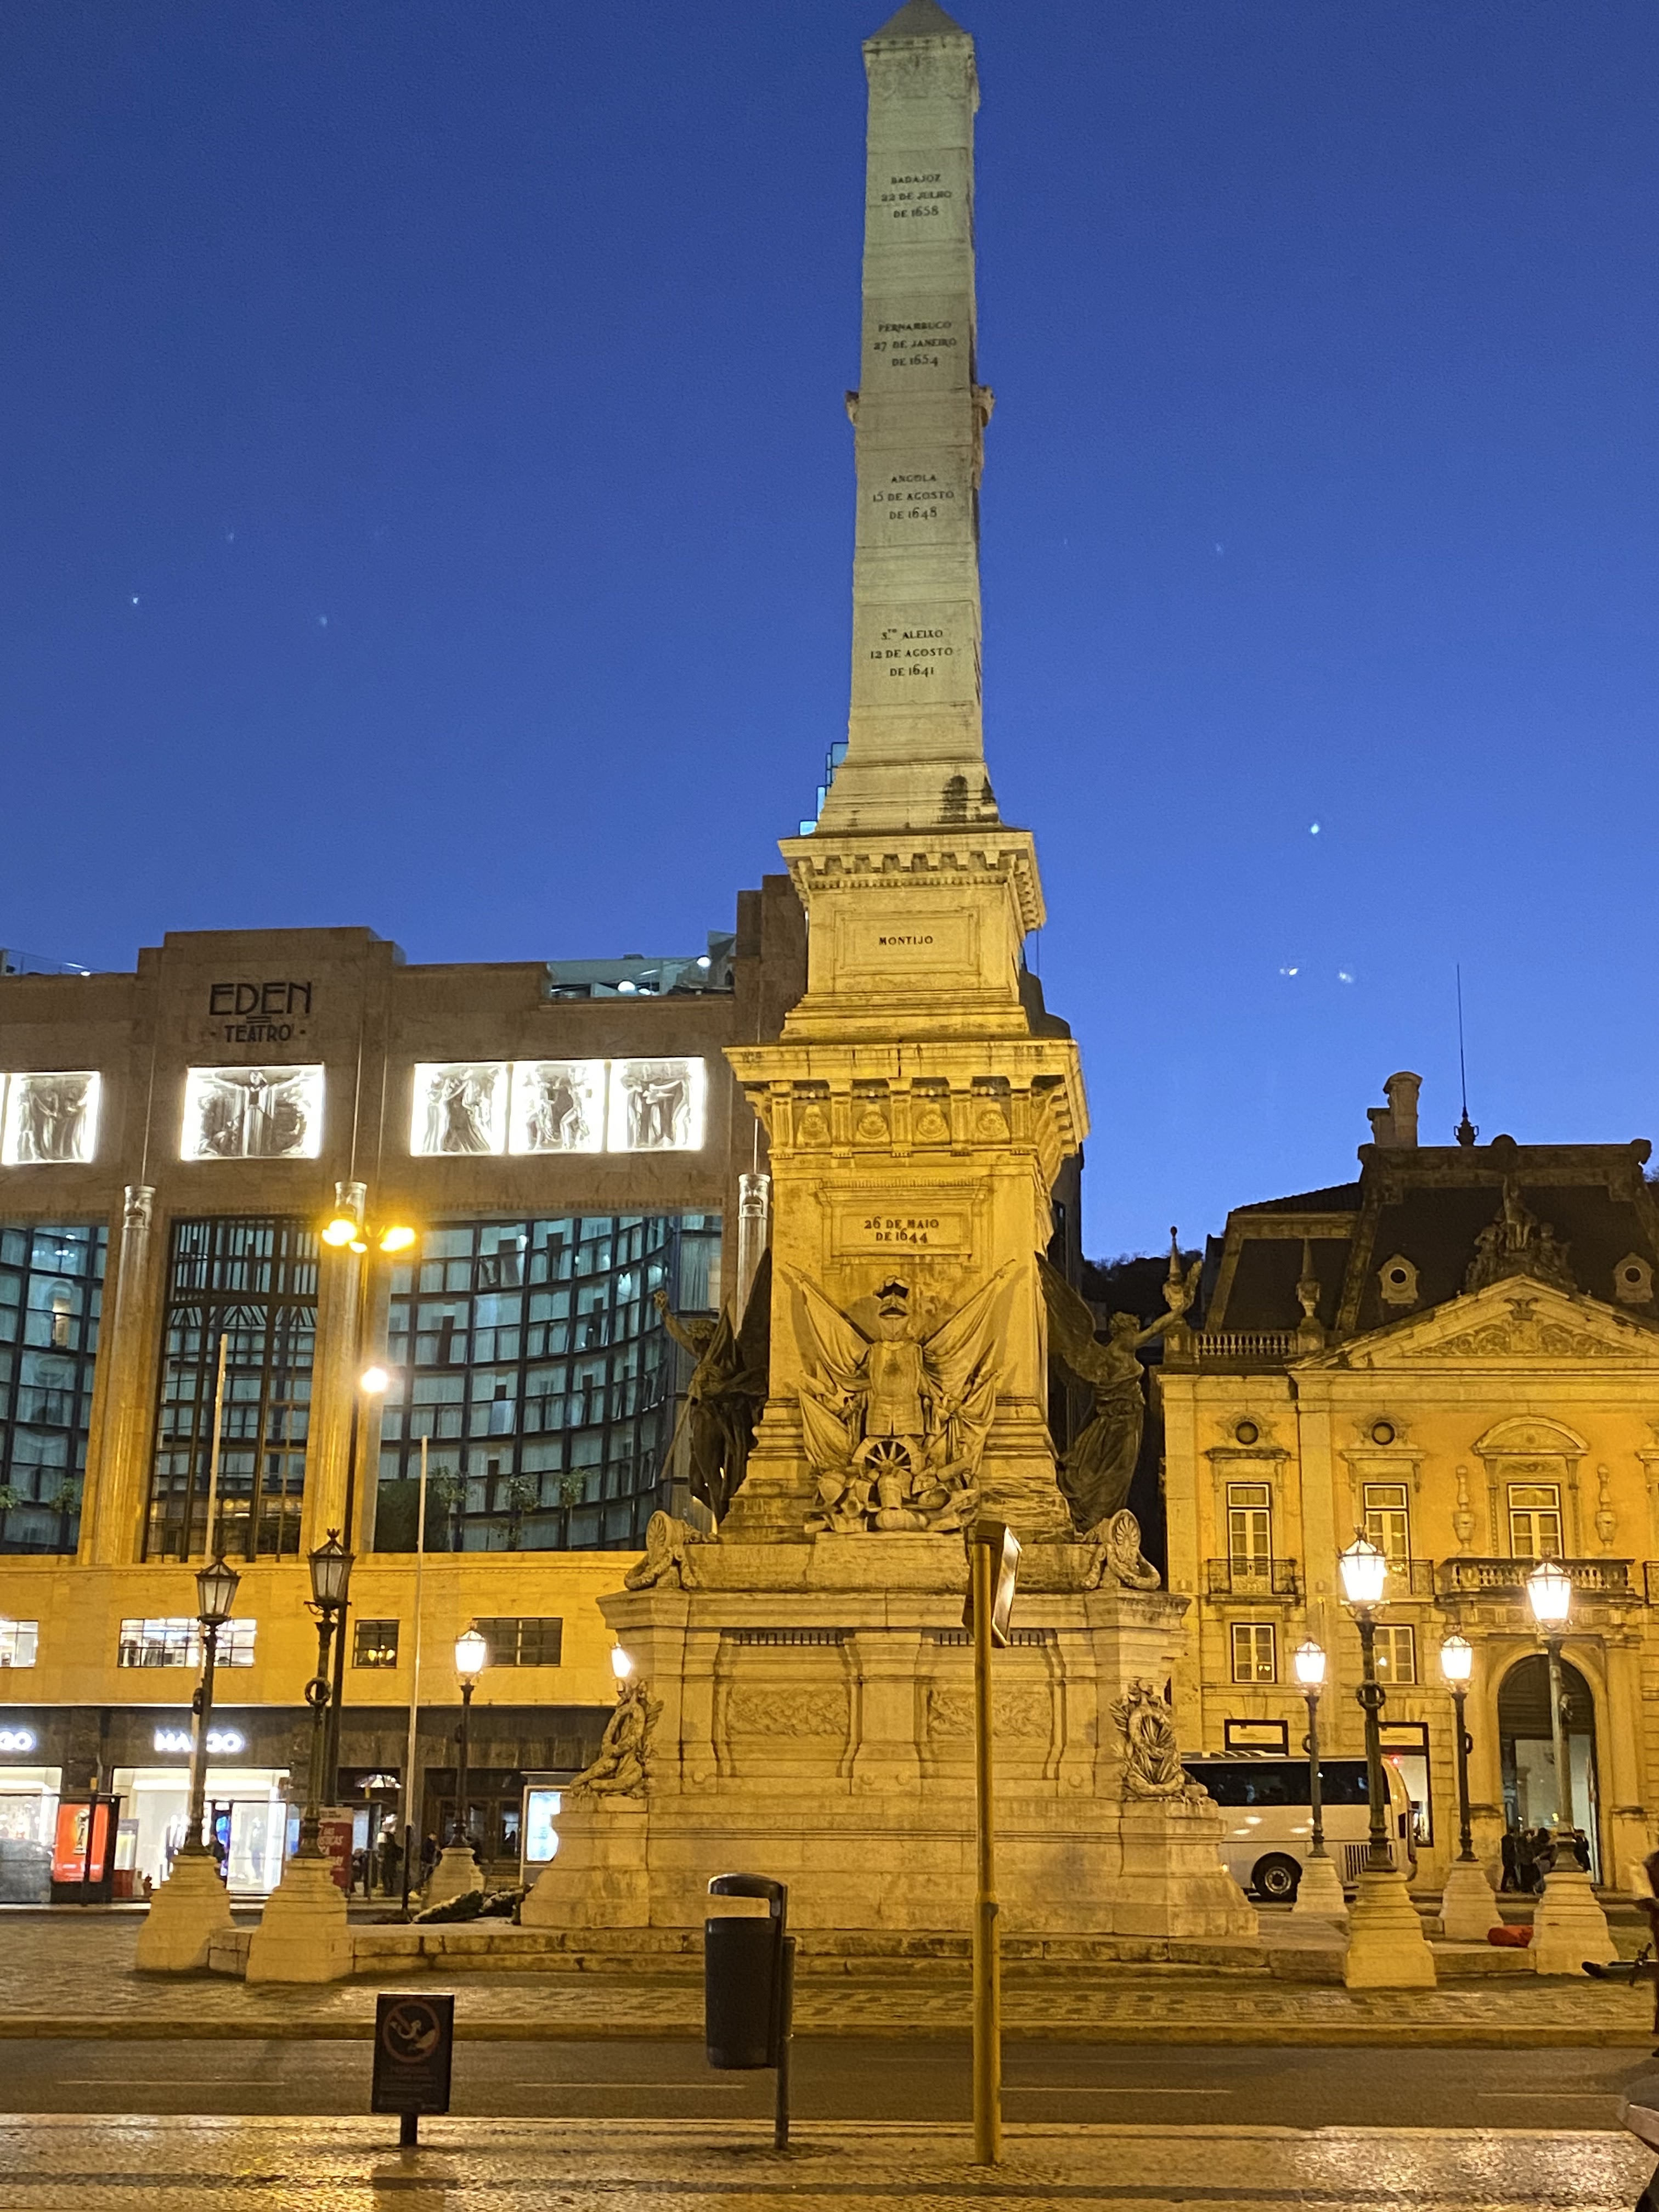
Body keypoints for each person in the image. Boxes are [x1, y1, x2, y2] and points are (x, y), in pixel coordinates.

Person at [1499, 1829, 1520, 1893]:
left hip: (1506, 1859)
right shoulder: (1510, 1839)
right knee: (1508, 1874)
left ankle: (1517, 1886)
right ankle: (1505, 1887)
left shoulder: (1505, 1839)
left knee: (1511, 1873)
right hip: (1510, 1860)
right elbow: (1510, 1850)